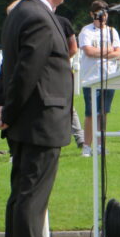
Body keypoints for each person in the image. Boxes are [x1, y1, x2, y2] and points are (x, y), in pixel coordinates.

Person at [0, 0, 72, 237]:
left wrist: (3, 106)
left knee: (21, 192)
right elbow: (26, 71)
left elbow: (9, 66)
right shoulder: (37, 16)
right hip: (39, 118)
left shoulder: (20, 12)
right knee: (32, 194)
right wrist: (8, 112)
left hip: (28, 118)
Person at [78, 0, 120, 156]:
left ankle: (100, 144)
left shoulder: (112, 31)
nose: (102, 17)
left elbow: (118, 53)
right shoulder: (86, 31)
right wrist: (108, 50)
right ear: (92, 14)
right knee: (90, 113)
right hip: (91, 78)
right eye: (98, 13)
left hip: (108, 76)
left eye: (105, 13)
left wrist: (104, 51)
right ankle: (87, 145)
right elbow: (89, 51)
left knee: (103, 113)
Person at [55, 13, 84, 150]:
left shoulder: (63, 21)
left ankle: (80, 137)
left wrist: (57, 62)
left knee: (67, 104)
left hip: (61, 70)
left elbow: (73, 48)